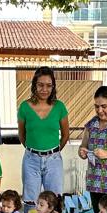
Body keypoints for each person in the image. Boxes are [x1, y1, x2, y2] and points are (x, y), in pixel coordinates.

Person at [18, 67, 70, 205]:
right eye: (40, 85)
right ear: (34, 85)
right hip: (31, 160)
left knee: (55, 201)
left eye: (48, 86)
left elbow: (65, 135)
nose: (44, 89)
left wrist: (54, 152)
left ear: (53, 87)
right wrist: (34, 150)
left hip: (54, 160)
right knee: (30, 201)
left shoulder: (59, 107)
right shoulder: (24, 107)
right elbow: (22, 135)